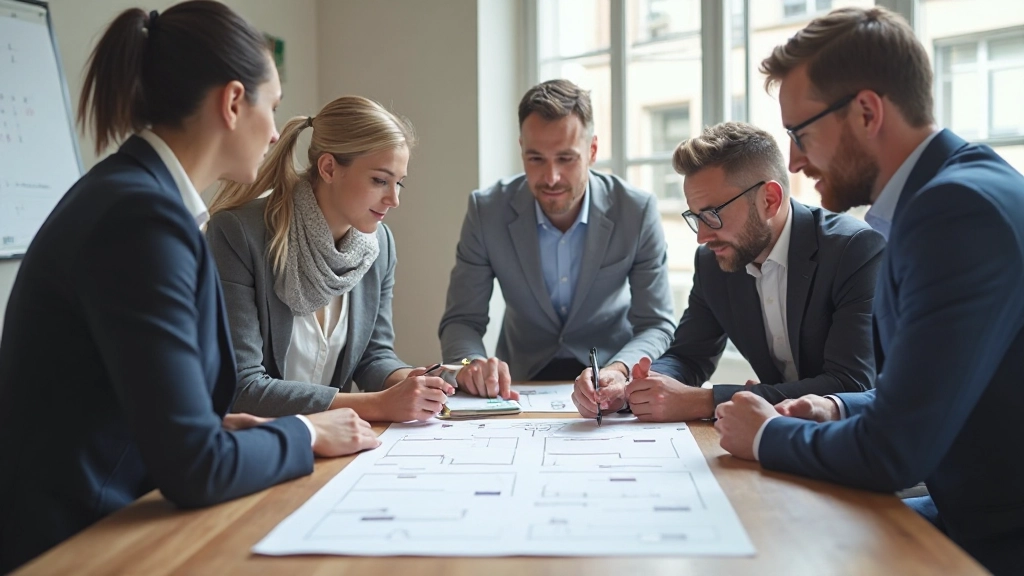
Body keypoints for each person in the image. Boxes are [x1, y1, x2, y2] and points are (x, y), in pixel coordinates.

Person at [0, 3, 379, 572]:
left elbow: (125, 401)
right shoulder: (142, 221)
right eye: (271, 106)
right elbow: (194, 468)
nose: (278, 132)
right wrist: (305, 432)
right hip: (76, 543)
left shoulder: (131, 196)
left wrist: (219, 429)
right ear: (232, 102)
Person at [713, 8, 1024, 574]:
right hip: (972, 512)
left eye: (801, 134)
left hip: (997, 539)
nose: (796, 162)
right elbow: (932, 392)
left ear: (866, 111)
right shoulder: (950, 191)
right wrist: (835, 407)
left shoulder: (955, 213)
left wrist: (768, 435)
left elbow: (895, 452)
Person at [572, 122, 883, 422]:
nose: (702, 236)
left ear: (769, 200)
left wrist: (704, 400)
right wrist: (631, 388)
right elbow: (688, 356)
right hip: (770, 441)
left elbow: (850, 385)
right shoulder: (713, 262)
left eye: (712, 215)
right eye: (696, 217)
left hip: (862, 448)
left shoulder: (853, 250)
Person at [206, 96, 454, 422]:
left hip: (334, 445)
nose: (394, 199)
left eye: (399, 183)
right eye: (380, 180)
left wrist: (409, 381)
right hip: (257, 446)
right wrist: (378, 405)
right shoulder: (238, 233)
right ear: (328, 168)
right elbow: (243, 388)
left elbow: (372, 356)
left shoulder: (378, 245)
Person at [439, 79, 675, 398]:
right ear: (521, 149)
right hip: (520, 384)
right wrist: (471, 363)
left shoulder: (636, 211)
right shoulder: (486, 211)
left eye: (566, 159)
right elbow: (461, 321)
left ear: (592, 151)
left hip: (610, 378)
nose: (551, 178)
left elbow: (656, 324)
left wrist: (620, 371)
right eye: (536, 159)